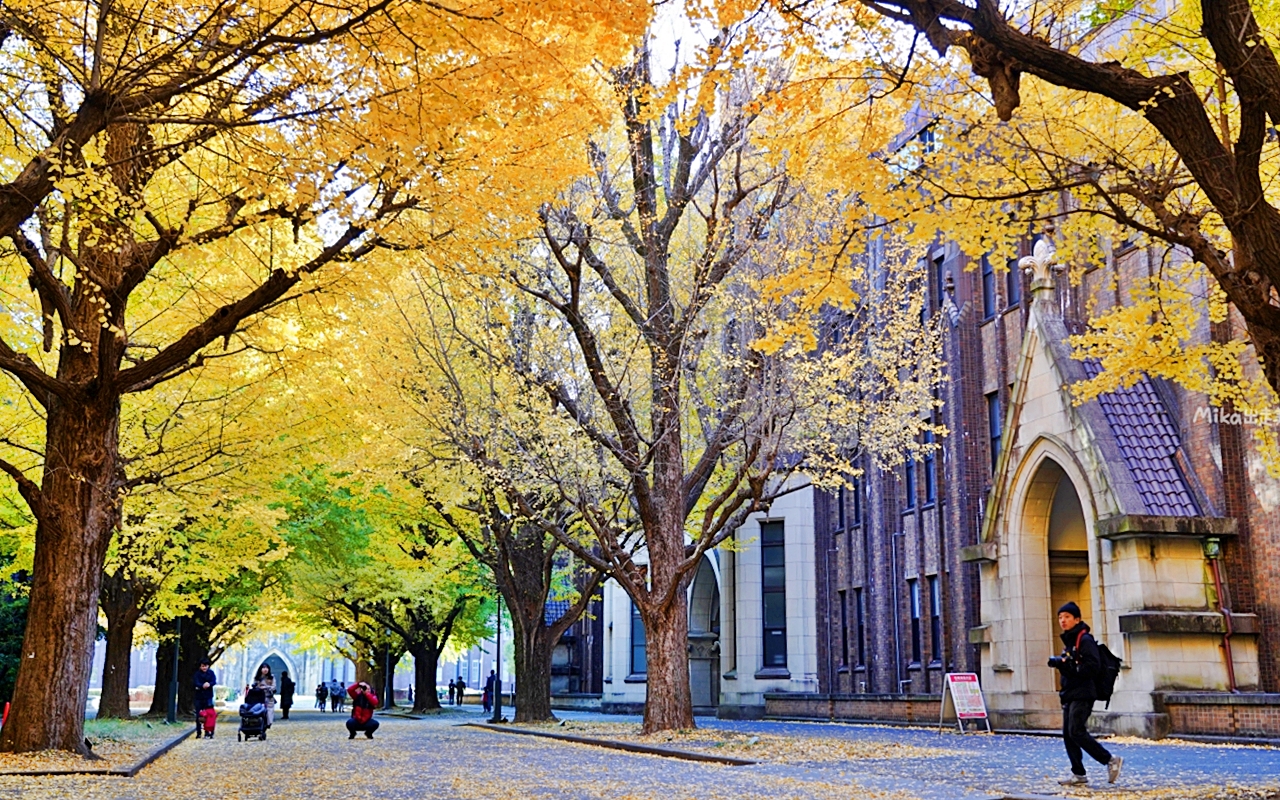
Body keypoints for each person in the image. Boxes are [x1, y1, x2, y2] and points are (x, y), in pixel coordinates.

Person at [1049, 602, 1123, 786]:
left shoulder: (1085, 640)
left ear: (1077, 619)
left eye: (1067, 617)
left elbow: (1092, 667)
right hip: (1070, 692)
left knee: (1076, 730)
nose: (1063, 621)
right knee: (1068, 734)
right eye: (1060, 617)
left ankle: (1110, 760)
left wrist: (1067, 665)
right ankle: (1078, 774)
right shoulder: (1070, 641)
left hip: (1083, 693)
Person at [193, 658, 217, 739]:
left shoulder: (211, 673)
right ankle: (198, 732)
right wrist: (202, 685)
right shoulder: (197, 674)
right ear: (200, 666)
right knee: (198, 715)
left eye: (206, 666)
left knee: (209, 715)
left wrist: (209, 684)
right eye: (203, 666)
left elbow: (214, 681)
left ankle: (208, 731)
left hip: (208, 696)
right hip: (199, 697)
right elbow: (195, 682)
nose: (204, 668)